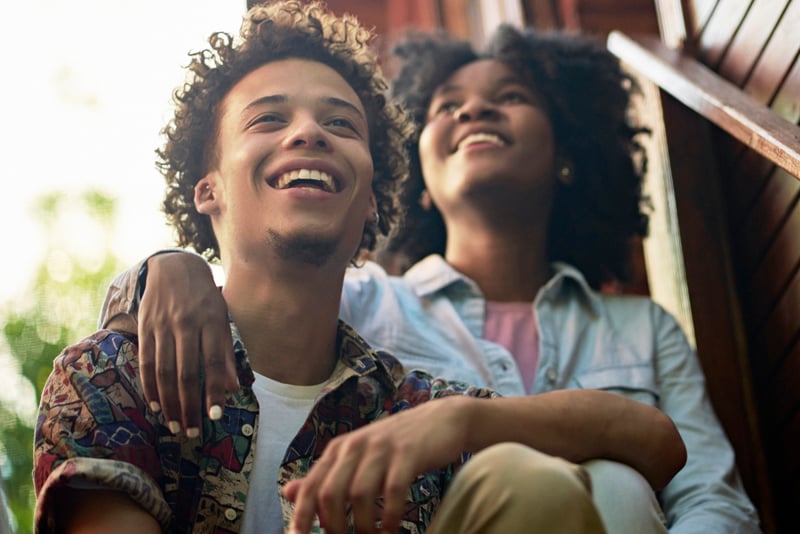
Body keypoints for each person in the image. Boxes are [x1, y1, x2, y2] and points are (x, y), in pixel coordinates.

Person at [34, 2, 686, 533]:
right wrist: (167, 265)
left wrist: (465, 421)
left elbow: (657, 441)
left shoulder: (405, 405)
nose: (310, 133)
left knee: (527, 481)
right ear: (208, 189)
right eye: (269, 119)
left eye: (341, 125)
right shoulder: (111, 375)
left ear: (370, 200)